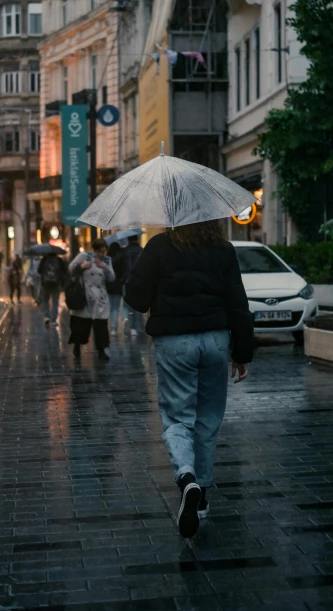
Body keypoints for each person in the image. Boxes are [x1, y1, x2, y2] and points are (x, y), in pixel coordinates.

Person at [124, 220, 254, 539]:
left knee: (177, 418)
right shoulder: (223, 249)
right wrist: (243, 352)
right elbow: (238, 301)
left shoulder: (159, 246)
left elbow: (136, 298)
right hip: (216, 340)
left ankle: (187, 478)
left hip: (175, 341)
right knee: (208, 420)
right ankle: (203, 499)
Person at [69, 238, 115, 360]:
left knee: (101, 325)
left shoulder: (106, 260)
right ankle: (77, 347)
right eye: (99, 251)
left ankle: (101, 350)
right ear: (94, 249)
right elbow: (71, 268)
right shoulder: (84, 256)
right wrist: (81, 266)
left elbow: (112, 278)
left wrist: (105, 266)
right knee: (81, 324)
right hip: (85, 296)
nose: (101, 254)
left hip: (100, 298)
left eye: (103, 252)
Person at [121, 235, 143, 337]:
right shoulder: (142, 250)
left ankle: (125, 319)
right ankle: (134, 327)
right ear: (137, 239)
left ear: (128, 239)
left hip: (126, 280)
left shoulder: (124, 251)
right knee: (137, 305)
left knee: (126, 303)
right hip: (138, 281)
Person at [38, 251, 67, 326]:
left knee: (45, 300)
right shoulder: (59, 260)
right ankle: (54, 320)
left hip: (45, 284)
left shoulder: (44, 259)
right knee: (55, 301)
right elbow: (65, 270)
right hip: (56, 283)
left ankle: (47, 316)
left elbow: (39, 270)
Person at [106, 242, 125, 336]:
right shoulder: (121, 259)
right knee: (115, 308)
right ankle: (113, 328)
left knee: (109, 307)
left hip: (108, 286)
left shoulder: (107, 259)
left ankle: (111, 326)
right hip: (118, 286)